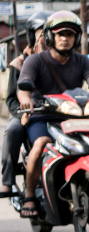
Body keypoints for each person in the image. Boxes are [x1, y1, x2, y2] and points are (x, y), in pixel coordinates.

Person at [16, 11, 89, 218]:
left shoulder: (82, 61)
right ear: (49, 37)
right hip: (42, 116)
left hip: (74, 117)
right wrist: (25, 100)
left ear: (77, 38)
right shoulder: (35, 61)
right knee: (40, 144)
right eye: (60, 34)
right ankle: (29, 195)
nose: (65, 38)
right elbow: (22, 87)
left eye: (70, 34)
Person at [0, 13, 48, 200]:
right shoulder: (19, 64)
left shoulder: (61, 62)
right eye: (42, 32)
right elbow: (12, 98)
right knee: (13, 129)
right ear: (31, 35)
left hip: (57, 112)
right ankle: (7, 181)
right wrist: (21, 114)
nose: (47, 36)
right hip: (27, 114)